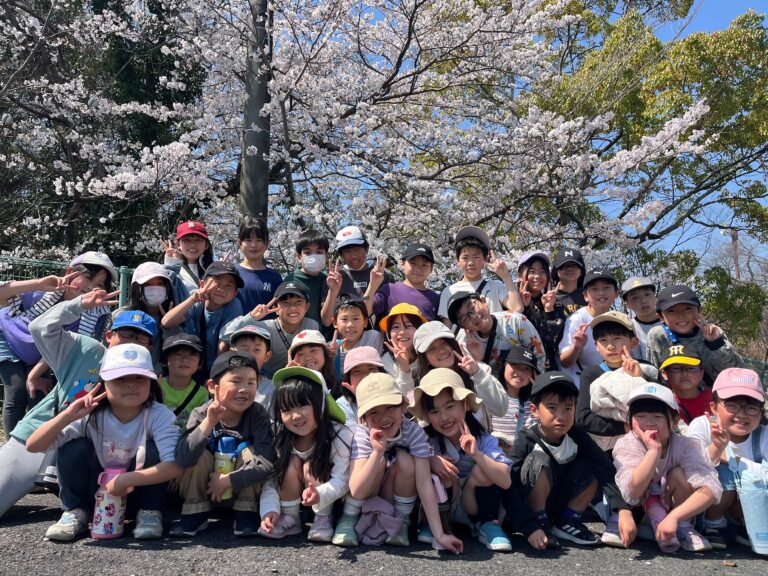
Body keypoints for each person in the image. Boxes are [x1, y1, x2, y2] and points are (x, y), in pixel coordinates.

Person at [0, 292, 153, 520]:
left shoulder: (145, 372)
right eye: (127, 334)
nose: (132, 342)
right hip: (39, 438)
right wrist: (77, 305)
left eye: (141, 339)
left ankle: (73, 508)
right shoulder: (85, 349)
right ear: (109, 335)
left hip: (90, 453)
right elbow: (40, 328)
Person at [26, 344, 181, 542]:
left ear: (152, 382)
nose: (130, 384)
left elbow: (175, 466)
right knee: (73, 447)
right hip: (96, 496)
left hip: (136, 493)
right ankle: (76, 512)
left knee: (154, 450)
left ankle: (149, 512)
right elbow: (33, 446)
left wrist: (127, 479)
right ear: (103, 382)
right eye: (119, 378)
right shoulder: (90, 414)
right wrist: (66, 416)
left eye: (139, 378)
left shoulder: (159, 415)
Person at [337, 372, 463, 553]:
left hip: (395, 493)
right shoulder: (363, 433)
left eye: (390, 407)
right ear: (363, 416)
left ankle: (402, 521)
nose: (384, 417)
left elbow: (424, 483)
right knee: (377, 461)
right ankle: (348, 518)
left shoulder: (414, 432)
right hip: (366, 493)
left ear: (403, 406)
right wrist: (378, 452)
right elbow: (356, 488)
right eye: (374, 411)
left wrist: (440, 534)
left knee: (405, 460)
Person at [510, 371, 634, 549]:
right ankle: (540, 521)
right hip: (531, 509)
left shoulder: (577, 436)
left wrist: (622, 509)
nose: (561, 416)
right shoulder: (526, 439)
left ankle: (568, 520)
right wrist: (527, 526)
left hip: (561, 500)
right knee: (538, 460)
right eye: (552, 408)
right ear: (535, 410)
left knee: (595, 463)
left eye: (568, 408)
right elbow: (510, 483)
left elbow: (605, 468)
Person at [0, 251, 116, 432]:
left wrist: (34, 375)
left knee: (38, 394)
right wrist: (37, 283)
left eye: (99, 284)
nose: (91, 287)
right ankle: (10, 448)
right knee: (16, 390)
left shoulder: (92, 315)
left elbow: (58, 347)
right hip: (7, 339)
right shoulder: (43, 292)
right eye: (88, 278)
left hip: (40, 354)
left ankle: (31, 443)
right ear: (70, 271)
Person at [172, 351, 274, 537]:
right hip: (205, 491)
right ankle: (195, 512)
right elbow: (183, 458)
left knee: (251, 452)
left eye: (251, 383)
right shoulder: (201, 413)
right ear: (212, 386)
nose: (244, 389)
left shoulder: (257, 414)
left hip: (238, 490)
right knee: (198, 451)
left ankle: (246, 512)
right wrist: (209, 423)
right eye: (236, 382)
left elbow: (266, 463)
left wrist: (228, 481)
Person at [411, 368, 513, 552]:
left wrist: (477, 455)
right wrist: (431, 460)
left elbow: (505, 481)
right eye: (434, 411)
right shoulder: (427, 440)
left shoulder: (483, 439)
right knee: (439, 471)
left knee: (484, 469)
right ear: (426, 416)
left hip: (475, 506)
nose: (444, 418)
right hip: (447, 504)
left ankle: (489, 524)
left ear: (465, 405)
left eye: (450, 407)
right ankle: (437, 524)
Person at [613, 383, 720, 552]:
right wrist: (653, 450)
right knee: (641, 474)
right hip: (637, 511)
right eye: (640, 416)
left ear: (675, 420)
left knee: (678, 474)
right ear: (629, 420)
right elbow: (632, 491)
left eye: (657, 416)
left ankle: (683, 526)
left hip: (674, 511)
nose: (648, 423)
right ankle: (637, 523)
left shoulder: (687, 445)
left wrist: (674, 517)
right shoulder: (626, 444)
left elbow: (711, 489)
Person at [258, 367, 352, 543]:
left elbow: (343, 479)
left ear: (321, 403)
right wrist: (269, 511)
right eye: (286, 410)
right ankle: (291, 518)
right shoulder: (280, 436)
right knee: (290, 461)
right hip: (291, 500)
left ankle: (323, 519)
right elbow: (271, 480)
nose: (295, 416)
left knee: (311, 464)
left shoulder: (339, 434)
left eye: (302, 405)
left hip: (330, 501)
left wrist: (320, 494)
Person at [686, 368, 767, 550]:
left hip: (747, 507)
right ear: (714, 407)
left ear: (761, 413)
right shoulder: (701, 426)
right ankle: (711, 525)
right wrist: (716, 448)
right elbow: (691, 465)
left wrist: (736, 462)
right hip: (707, 503)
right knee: (725, 473)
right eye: (732, 405)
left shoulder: (764, 436)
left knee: (748, 476)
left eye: (752, 407)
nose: (742, 414)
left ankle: (745, 528)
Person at [576, 311, 658, 452]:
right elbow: (583, 417)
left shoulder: (647, 369)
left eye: (617, 338)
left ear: (634, 342)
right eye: (603, 340)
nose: (610, 346)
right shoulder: (590, 375)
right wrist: (625, 427)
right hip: (606, 451)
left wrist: (639, 379)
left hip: (648, 444)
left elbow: (660, 406)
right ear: (596, 346)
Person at [647, 285, 744, 387]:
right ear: (661, 316)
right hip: (674, 397)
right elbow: (656, 376)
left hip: (713, 396)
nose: (681, 315)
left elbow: (735, 373)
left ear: (699, 310)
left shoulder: (712, 332)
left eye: (688, 309)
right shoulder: (658, 336)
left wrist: (716, 344)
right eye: (672, 311)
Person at [414, 321, 508, 424]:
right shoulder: (424, 389)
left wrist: (477, 374)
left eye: (444, 343)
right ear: (425, 359)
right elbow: (425, 426)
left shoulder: (479, 370)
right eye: (432, 349)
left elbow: (500, 410)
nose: (441, 351)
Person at [161, 261, 244, 377]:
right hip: (189, 364)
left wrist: (216, 374)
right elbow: (166, 323)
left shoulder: (234, 305)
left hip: (215, 366)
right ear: (202, 285)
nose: (221, 289)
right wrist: (192, 299)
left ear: (235, 293)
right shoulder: (196, 303)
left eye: (228, 286)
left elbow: (224, 343)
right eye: (216, 283)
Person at [222, 281, 319, 378]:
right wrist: (252, 317)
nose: (292, 307)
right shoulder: (265, 328)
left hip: (298, 378)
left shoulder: (311, 326)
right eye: (285, 303)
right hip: (266, 382)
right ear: (275, 307)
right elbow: (224, 335)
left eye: (299, 302)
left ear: (307, 307)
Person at [437, 226, 521, 325]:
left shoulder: (495, 286)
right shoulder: (449, 291)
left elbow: (517, 309)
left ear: (484, 259)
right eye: (465, 258)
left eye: (476, 257)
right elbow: (447, 327)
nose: (471, 262)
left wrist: (506, 276)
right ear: (458, 261)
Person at [446, 291, 546, 374]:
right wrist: (477, 360)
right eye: (464, 318)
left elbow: (539, 357)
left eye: (472, 308)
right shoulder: (463, 343)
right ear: (463, 327)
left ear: (483, 301)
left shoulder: (515, 320)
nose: (473, 317)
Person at [118, 261, 188, 371]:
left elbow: (176, 353)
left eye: (160, 284)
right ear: (137, 288)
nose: (155, 288)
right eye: (148, 284)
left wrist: (169, 327)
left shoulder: (178, 316)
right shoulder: (121, 316)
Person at [558, 269, 619, 388]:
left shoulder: (619, 319)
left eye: (606, 288)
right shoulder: (576, 319)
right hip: (583, 384)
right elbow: (565, 362)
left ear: (616, 293)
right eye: (594, 289)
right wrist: (576, 347)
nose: (601, 293)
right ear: (585, 296)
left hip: (614, 381)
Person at [516, 251, 566, 371]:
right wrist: (524, 308)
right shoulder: (509, 301)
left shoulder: (555, 303)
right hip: (518, 367)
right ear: (519, 276)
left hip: (546, 367)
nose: (537, 276)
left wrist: (549, 310)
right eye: (532, 271)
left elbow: (554, 342)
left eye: (542, 272)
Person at [367, 243, 440, 321]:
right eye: (413, 263)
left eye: (424, 265)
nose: (418, 269)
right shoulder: (389, 289)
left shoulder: (436, 299)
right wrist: (372, 286)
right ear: (402, 263)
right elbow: (365, 311)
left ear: (431, 269)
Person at [491, 347, 539, 453]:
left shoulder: (532, 405)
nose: (520, 372)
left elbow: (534, 437)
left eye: (527, 369)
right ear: (504, 365)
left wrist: (539, 389)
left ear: (533, 375)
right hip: (493, 455)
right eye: (515, 365)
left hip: (518, 458)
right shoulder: (491, 396)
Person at [283, 229, 331, 333]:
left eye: (319, 252)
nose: (313, 257)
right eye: (308, 252)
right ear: (299, 257)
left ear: (327, 256)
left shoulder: (329, 280)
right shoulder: (291, 280)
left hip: (326, 341)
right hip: (301, 340)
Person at [235, 216, 283, 314]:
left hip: (266, 328)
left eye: (259, 240)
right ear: (240, 243)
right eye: (248, 240)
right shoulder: (232, 273)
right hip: (235, 328)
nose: (254, 245)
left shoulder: (275, 277)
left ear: (267, 243)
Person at [159, 334, 208, 428]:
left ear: (200, 363)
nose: (185, 359)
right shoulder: (155, 385)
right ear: (165, 360)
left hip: (186, 441)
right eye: (178, 354)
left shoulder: (201, 393)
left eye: (192, 355)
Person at [329, 295, 383, 381]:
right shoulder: (331, 348)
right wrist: (330, 357)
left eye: (355, 318)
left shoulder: (373, 337)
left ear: (365, 322)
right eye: (344, 319)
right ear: (335, 323)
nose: (350, 324)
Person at [377, 303, 427, 393]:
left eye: (409, 325)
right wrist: (404, 367)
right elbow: (401, 398)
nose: (402, 332)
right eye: (396, 327)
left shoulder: (428, 353)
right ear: (389, 334)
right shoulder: (386, 362)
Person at [659, 344, 710, 425]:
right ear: (664, 373)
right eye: (676, 368)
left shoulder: (716, 399)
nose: (685, 373)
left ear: (701, 373)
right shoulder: (663, 405)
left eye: (691, 368)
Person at [229, 325, 274, 413]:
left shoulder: (272, 389)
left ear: (267, 356)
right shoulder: (223, 382)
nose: (250, 355)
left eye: (257, 350)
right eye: (244, 349)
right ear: (232, 352)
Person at [335, 346, 386, 425]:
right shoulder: (342, 406)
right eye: (357, 371)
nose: (365, 376)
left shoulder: (392, 395)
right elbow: (356, 437)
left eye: (371, 369)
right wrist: (362, 403)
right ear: (348, 379)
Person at [163, 220, 215, 294]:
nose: (193, 244)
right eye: (186, 240)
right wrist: (169, 265)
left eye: (198, 240)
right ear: (178, 244)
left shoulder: (214, 270)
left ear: (206, 245)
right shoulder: (173, 270)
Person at [285, 329, 337, 395]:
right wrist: (289, 377)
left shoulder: (336, 385)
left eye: (313, 351)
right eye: (300, 354)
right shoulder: (292, 387)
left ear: (325, 353)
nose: (308, 358)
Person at [620, 276, 660, 361]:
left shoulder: (671, 320)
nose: (643, 301)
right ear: (627, 304)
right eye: (635, 298)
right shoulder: (629, 329)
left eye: (647, 294)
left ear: (654, 295)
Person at [550, 247, 586, 317]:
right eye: (564, 265)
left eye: (574, 265)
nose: (569, 268)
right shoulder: (549, 297)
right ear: (556, 270)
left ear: (581, 271)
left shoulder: (589, 296)